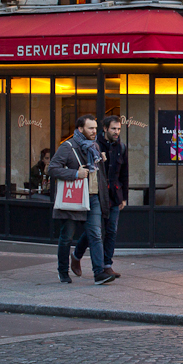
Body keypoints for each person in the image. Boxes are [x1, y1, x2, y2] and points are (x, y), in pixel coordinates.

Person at [47, 115, 114, 285]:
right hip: (74, 199)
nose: (94, 131)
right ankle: (63, 271)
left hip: (93, 197)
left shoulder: (95, 146)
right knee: (67, 237)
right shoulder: (68, 147)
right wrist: (75, 173)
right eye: (90, 128)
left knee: (96, 235)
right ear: (80, 129)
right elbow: (52, 169)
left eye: (95, 127)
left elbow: (99, 176)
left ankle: (99, 273)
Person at [72, 117, 128, 278]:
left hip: (114, 195)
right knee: (95, 230)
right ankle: (77, 256)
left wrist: (124, 197)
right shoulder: (94, 146)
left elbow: (124, 174)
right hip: (98, 194)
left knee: (111, 230)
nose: (116, 132)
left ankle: (107, 265)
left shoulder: (122, 148)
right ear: (105, 129)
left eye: (118, 129)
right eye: (113, 129)